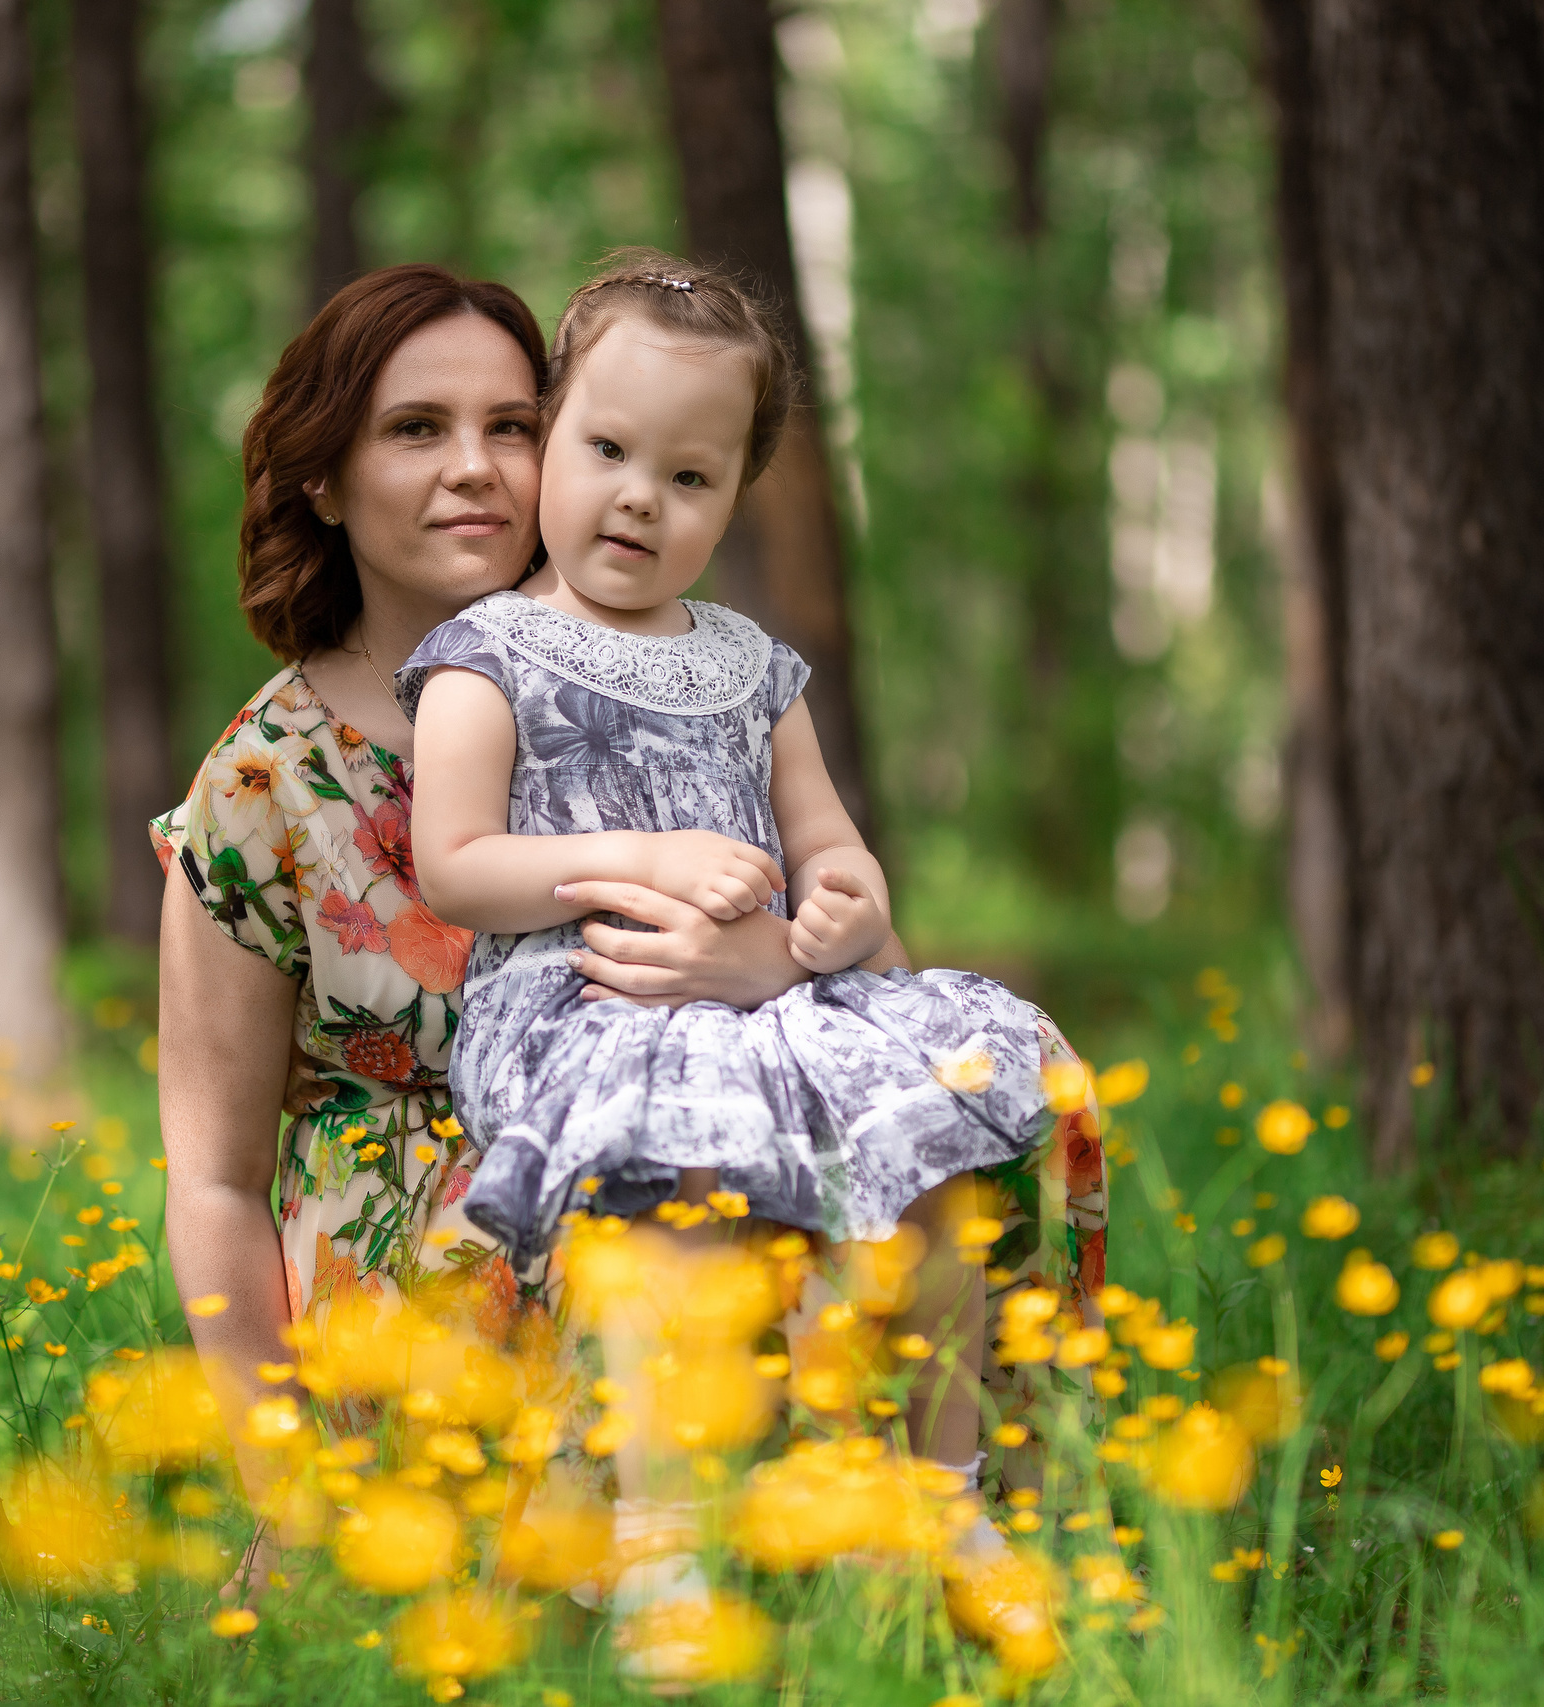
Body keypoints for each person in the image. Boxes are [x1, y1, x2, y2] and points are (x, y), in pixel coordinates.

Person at [403, 250, 1083, 1643]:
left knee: (937, 1170)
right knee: (686, 1214)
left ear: (734, 494)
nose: (641, 497)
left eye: (691, 476)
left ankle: (944, 1492)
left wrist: (845, 903)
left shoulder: (752, 668)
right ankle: (659, 1543)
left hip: (776, 1002)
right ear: (553, 433)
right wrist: (639, 859)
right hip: (593, 1001)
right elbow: (457, 865)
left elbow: (832, 840)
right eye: (605, 450)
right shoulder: (490, 652)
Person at [154, 265, 822, 1562]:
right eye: (416, 429)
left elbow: (840, 954)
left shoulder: (678, 695)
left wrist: (766, 961)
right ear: (324, 478)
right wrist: (287, 1498)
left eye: (510, 425)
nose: (476, 467)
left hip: (677, 1275)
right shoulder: (260, 787)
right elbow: (216, 1181)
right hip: (417, 1356)